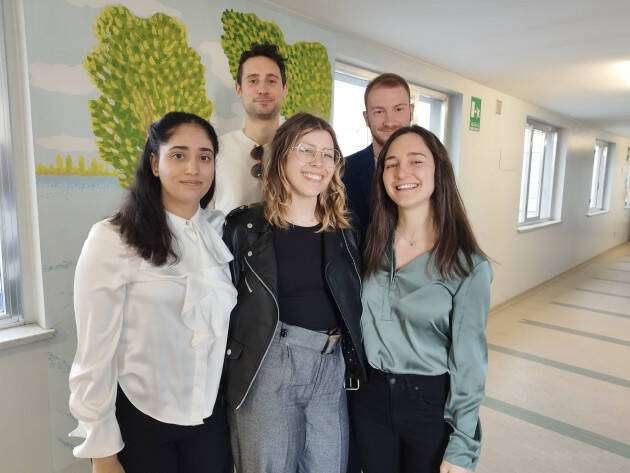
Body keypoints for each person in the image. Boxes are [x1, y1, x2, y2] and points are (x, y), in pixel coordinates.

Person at [68, 112, 237, 473]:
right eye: (178, 155)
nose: (193, 167)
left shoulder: (219, 232)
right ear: (154, 164)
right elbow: (93, 354)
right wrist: (103, 452)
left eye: (204, 156)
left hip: (209, 418)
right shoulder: (112, 239)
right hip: (142, 420)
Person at [222, 112, 367, 473]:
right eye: (306, 150)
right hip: (269, 364)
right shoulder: (245, 226)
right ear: (282, 156)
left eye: (328, 154)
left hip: (330, 366)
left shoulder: (346, 229)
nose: (318, 162)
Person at [351, 125, 492, 473]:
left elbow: (470, 364)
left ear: (438, 172)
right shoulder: (367, 246)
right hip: (368, 399)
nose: (402, 173)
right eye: (391, 164)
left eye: (416, 161)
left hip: (429, 406)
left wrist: (463, 447)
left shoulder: (468, 266)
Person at [214, 43, 288, 214]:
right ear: (239, 89)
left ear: (284, 89)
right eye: (253, 81)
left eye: (271, 81)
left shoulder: (300, 153)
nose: (262, 89)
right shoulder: (215, 150)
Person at [342, 73, 414, 236]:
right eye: (379, 112)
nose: (390, 121)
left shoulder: (434, 169)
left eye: (398, 109)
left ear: (411, 111)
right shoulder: (342, 172)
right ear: (366, 118)